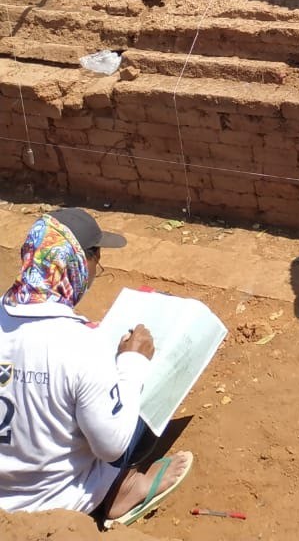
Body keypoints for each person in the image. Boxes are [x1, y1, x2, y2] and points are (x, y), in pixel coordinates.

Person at [0, 208, 192, 524]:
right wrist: (132, 363)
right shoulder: (81, 345)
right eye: (96, 262)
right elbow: (112, 446)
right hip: (57, 501)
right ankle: (125, 486)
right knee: (140, 375)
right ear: (79, 263)